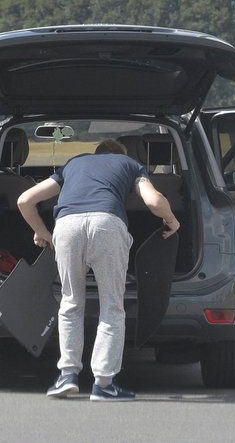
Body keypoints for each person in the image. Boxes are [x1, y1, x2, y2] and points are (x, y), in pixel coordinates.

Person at [16, 138, 180, 401]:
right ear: (119, 155)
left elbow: (25, 200)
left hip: (67, 226)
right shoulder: (130, 164)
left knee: (70, 302)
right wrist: (172, 221)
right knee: (112, 305)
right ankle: (103, 383)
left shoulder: (73, 164)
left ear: (97, 153)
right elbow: (154, 201)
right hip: (107, 225)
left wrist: (42, 232)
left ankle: (67, 376)